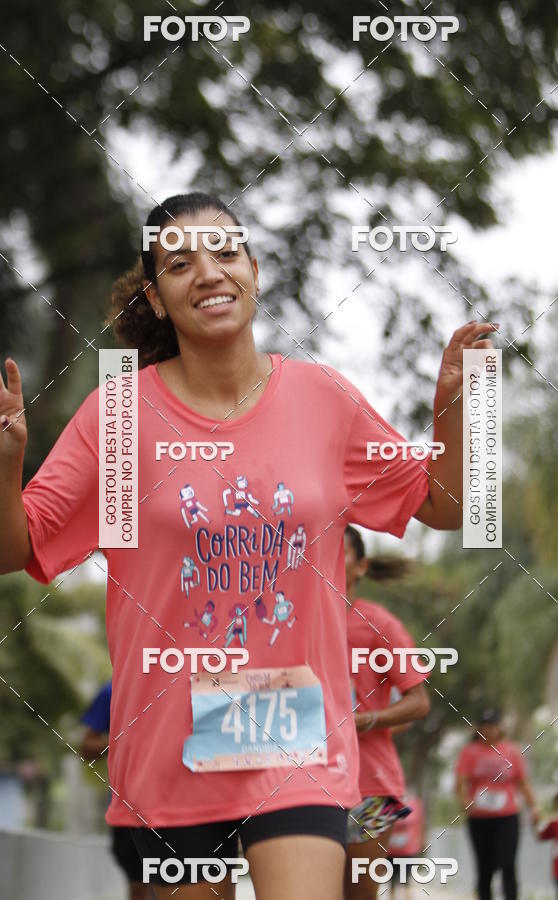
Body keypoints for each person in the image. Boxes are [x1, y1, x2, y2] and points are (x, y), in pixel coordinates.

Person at [0, 190, 497, 899]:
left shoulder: (322, 398)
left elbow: (446, 505)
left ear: (254, 271)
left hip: (298, 738)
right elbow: (17, 546)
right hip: (169, 741)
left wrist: (455, 410)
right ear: (157, 299)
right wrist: (7, 464)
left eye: (226, 252)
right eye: (179, 264)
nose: (208, 271)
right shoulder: (120, 416)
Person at [343, 525, 430, 900]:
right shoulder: (291, 621)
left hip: (371, 788)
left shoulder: (378, 624)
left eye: (340, 553)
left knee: (359, 895)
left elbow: (418, 702)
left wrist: (362, 721)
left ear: (361, 566)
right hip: (305, 785)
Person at [455, 709, 539, 900]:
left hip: (507, 817)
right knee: (485, 867)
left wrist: (534, 806)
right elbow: (460, 783)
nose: (489, 730)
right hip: (480, 818)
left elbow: (523, 783)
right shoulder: (469, 752)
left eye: (492, 726)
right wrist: (465, 802)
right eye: (484, 726)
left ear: (499, 728)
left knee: (507, 862)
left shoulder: (512, 751)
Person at [80, 682, 150, 900]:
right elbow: (87, 746)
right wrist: (123, 743)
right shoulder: (114, 689)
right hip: (131, 809)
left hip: (185, 805)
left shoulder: (189, 680)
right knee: (140, 886)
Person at [386, 795, 425, 898]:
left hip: (408, 851)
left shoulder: (415, 803)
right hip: (391, 851)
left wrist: (420, 840)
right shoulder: (389, 802)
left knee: (406, 882)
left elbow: (419, 822)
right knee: (392, 882)